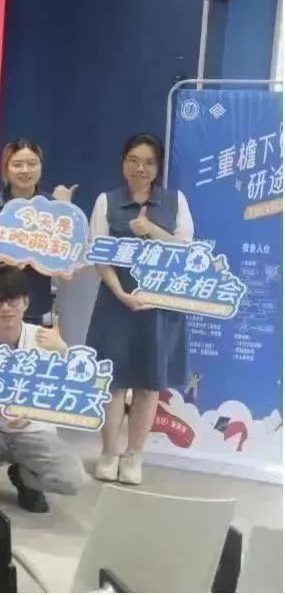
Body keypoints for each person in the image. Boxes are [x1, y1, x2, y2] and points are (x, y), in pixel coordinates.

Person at [87, 133, 193, 486]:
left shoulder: (175, 202)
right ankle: (109, 452)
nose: (140, 168)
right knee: (113, 383)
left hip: (159, 305)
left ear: (158, 167)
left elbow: (186, 251)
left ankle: (134, 455)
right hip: (115, 302)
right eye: (133, 160)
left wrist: (151, 230)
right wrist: (121, 293)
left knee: (148, 385)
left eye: (148, 162)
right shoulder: (107, 201)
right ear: (123, 163)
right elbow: (99, 254)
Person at [0, 265, 90, 512]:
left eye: (12, 300)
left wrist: (64, 351)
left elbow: (76, 391)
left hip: (34, 430)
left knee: (72, 480)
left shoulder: (45, 339)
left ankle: (25, 479)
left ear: (26, 302)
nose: (6, 308)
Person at [0, 139, 77, 326]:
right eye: (17, 164)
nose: (25, 170)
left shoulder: (54, 207)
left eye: (32, 164)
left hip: (35, 303)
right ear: (6, 168)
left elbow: (67, 257)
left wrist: (65, 209)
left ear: (41, 166)